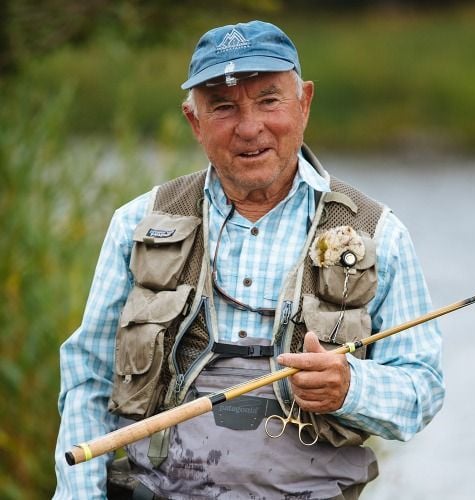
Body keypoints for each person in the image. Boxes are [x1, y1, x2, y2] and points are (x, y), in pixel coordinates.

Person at [53, 20, 444, 500]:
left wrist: (350, 387)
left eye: (269, 100)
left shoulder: (379, 233)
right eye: (223, 107)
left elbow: (423, 387)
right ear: (194, 121)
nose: (250, 126)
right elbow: (87, 378)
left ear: (304, 104)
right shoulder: (136, 223)